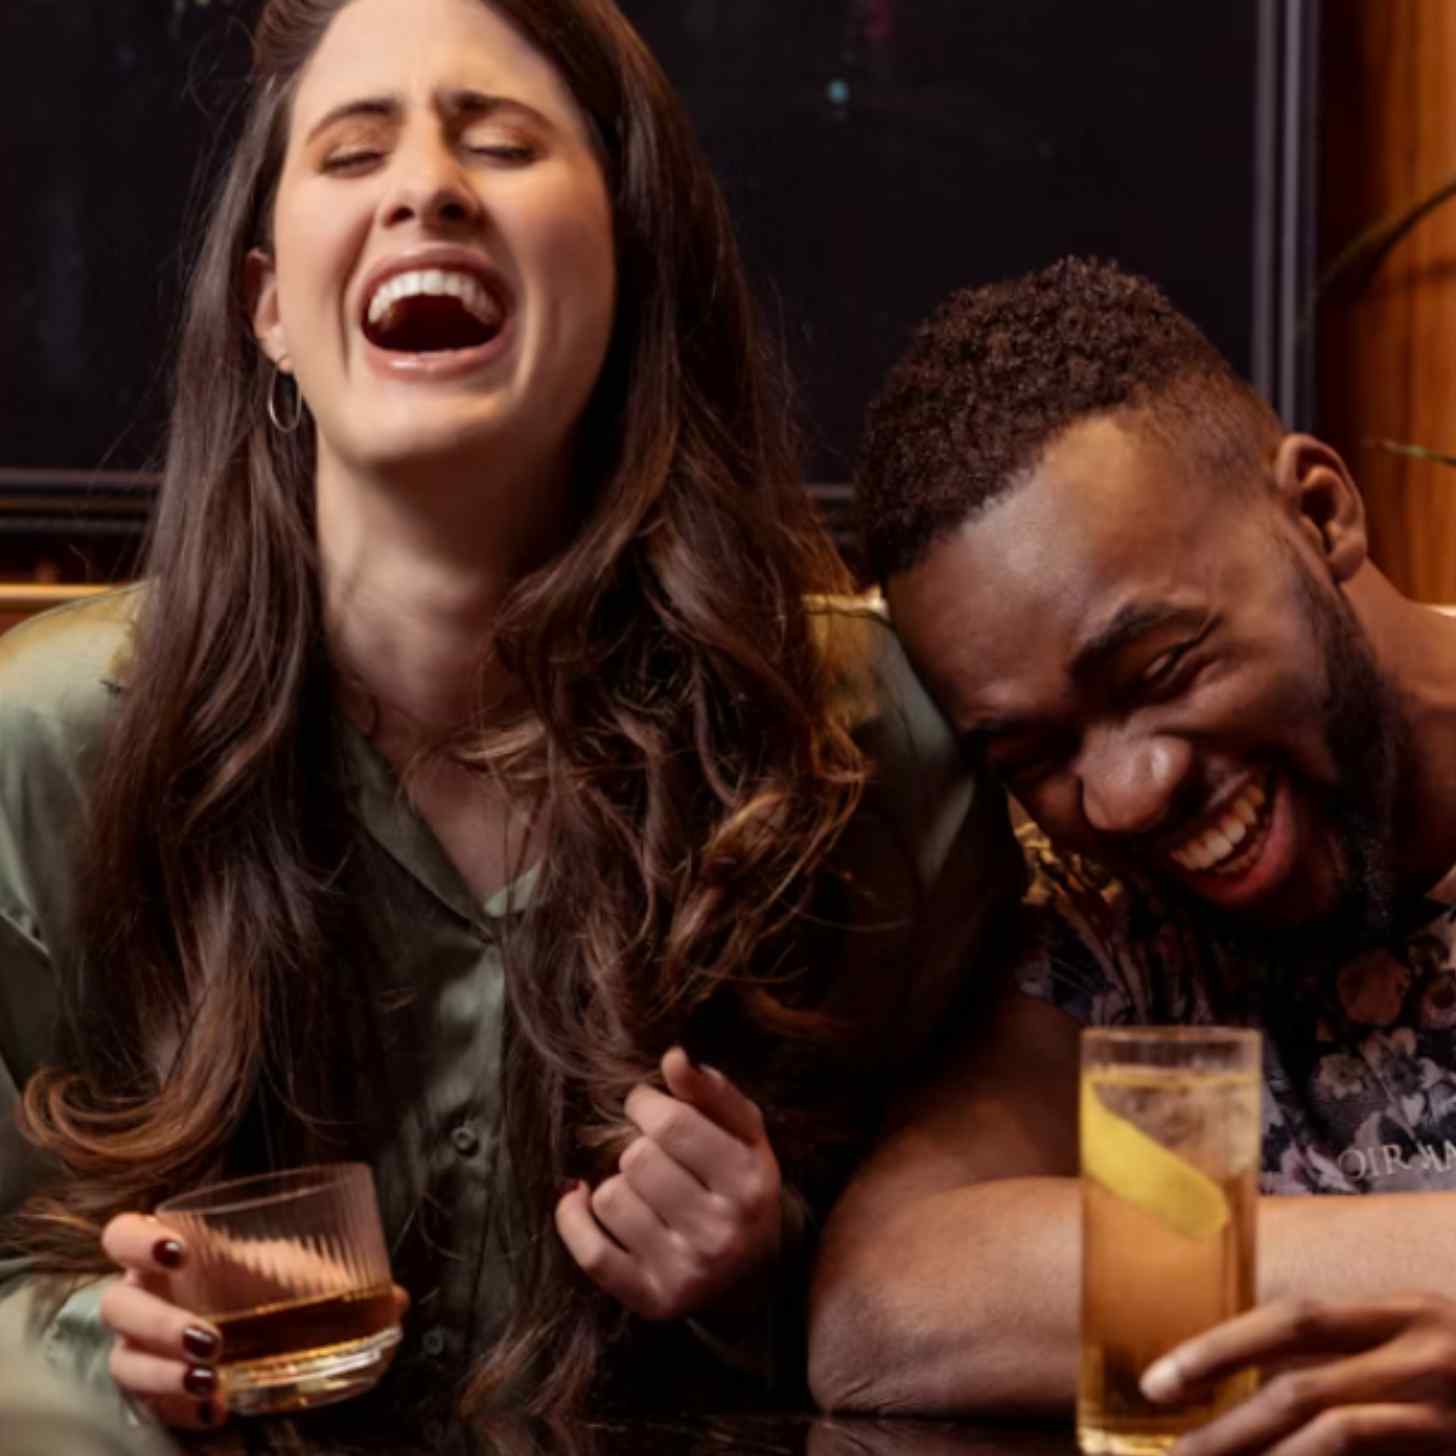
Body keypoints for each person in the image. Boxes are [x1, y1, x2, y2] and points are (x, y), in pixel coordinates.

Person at [0, 0, 1020, 1441]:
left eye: (500, 141)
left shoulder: (868, 754)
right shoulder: (40, 749)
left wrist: (769, 1270)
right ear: (269, 307)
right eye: (353, 154)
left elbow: (1026, 1277)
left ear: (629, 264)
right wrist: (102, 1351)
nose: (426, 184)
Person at [808, 256, 1456, 1453]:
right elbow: (886, 1307)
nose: (1123, 794)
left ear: (1320, 514)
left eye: (1160, 670)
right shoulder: (1116, 924)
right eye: (1035, 752)